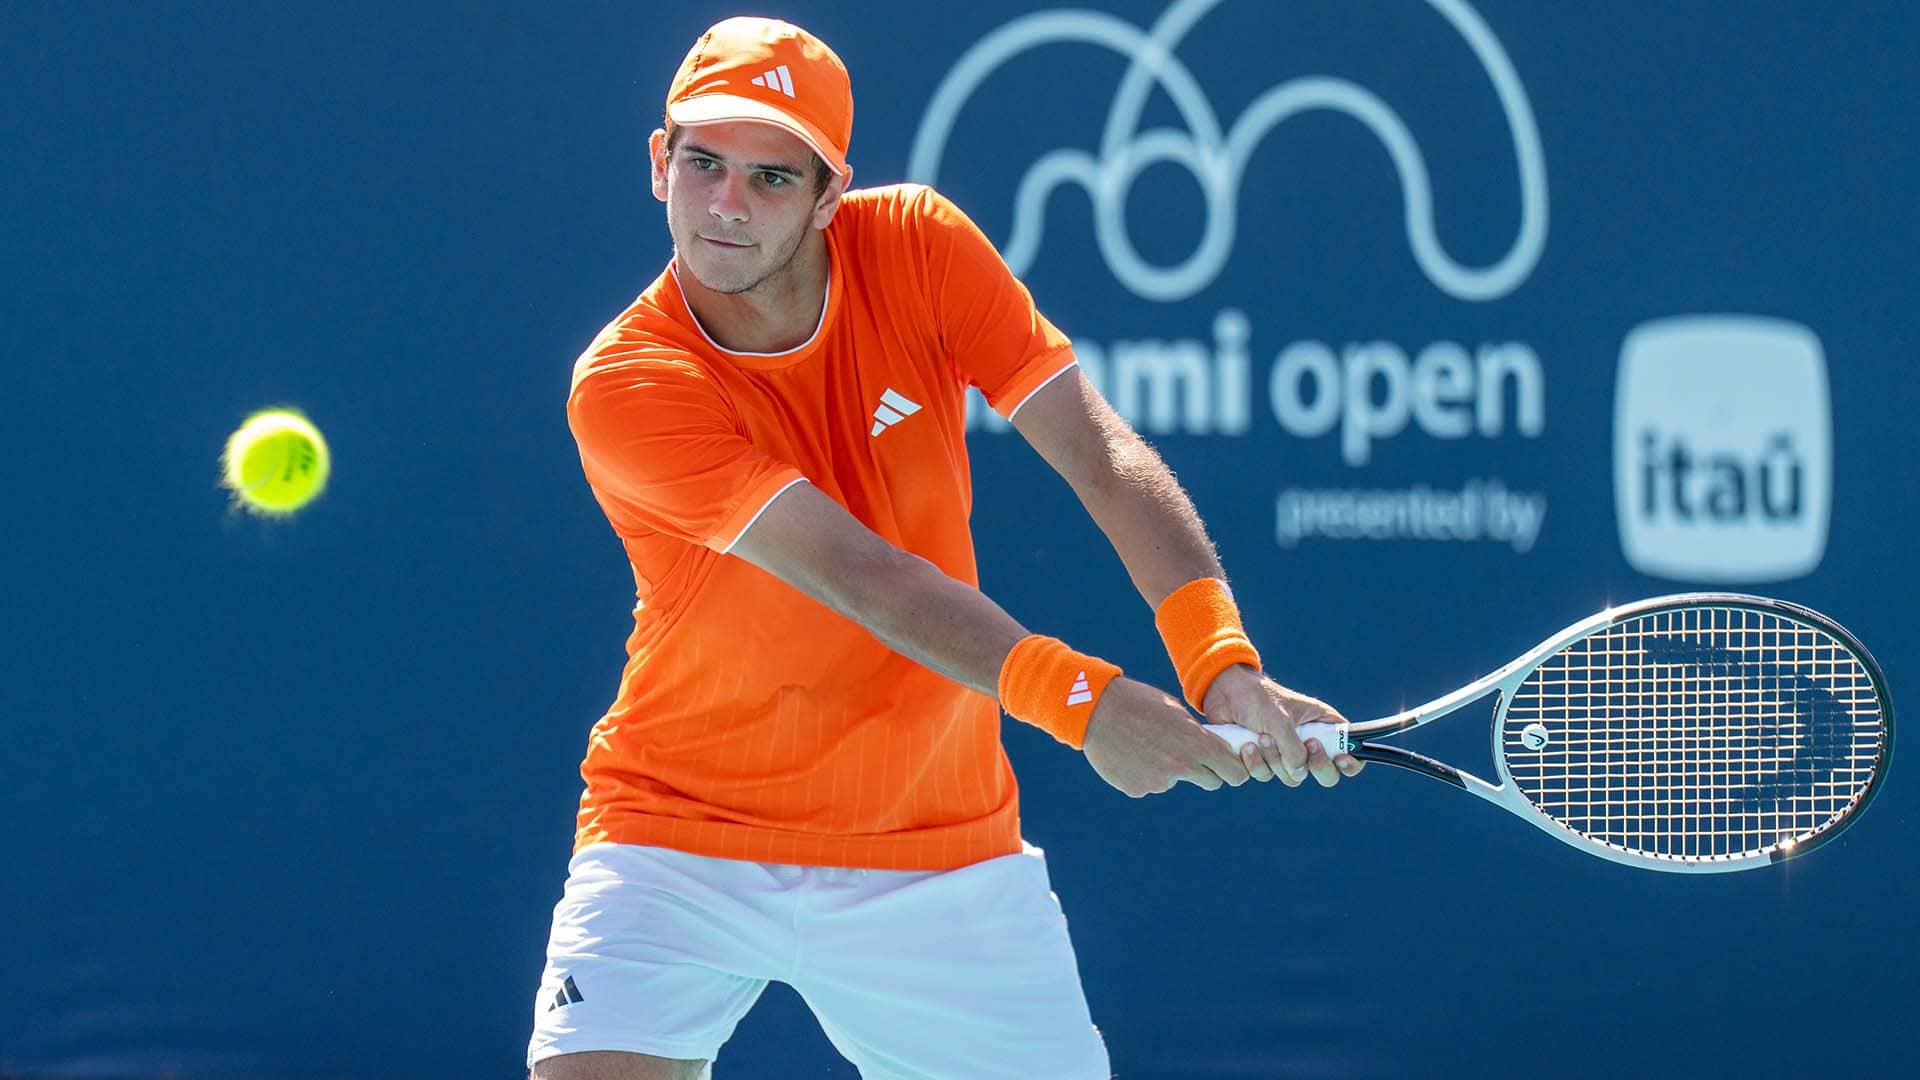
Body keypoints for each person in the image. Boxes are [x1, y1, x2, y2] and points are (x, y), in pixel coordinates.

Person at [529, 16, 1362, 1080]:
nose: (726, 206)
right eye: (703, 164)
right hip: (676, 835)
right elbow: (859, 574)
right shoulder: (628, 385)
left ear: (832, 195)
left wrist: (1222, 664)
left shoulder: (918, 245)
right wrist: (1085, 705)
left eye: (773, 178)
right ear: (660, 163)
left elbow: (1100, 456)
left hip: (937, 847)